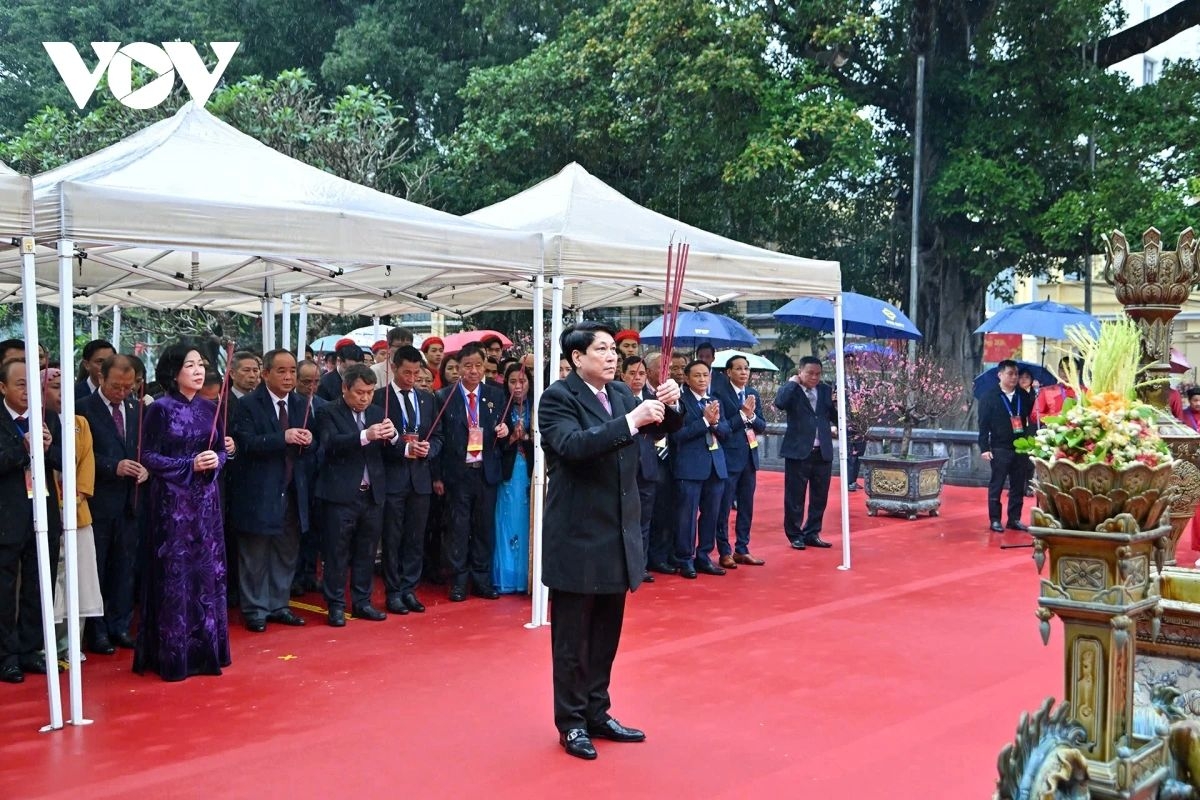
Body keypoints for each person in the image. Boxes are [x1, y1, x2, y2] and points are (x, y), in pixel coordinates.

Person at [538, 321, 682, 760]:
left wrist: (669, 407)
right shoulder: (557, 399)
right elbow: (574, 446)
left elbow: (657, 429)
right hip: (578, 535)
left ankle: (598, 711)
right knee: (572, 639)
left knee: (605, 635)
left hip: (617, 533)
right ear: (576, 358)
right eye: (601, 349)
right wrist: (631, 420)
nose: (611, 355)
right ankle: (572, 722)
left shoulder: (621, 393)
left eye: (612, 349)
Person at [133, 342, 230, 681]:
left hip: (206, 503)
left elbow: (220, 450)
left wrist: (216, 460)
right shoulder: (159, 409)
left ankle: (207, 649)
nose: (198, 371)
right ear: (173, 373)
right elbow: (149, 456)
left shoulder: (209, 408)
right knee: (175, 576)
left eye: (201, 364)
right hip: (172, 504)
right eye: (190, 366)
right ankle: (173, 654)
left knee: (206, 574)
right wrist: (189, 464)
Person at [229, 350, 316, 632]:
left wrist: (308, 440)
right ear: (265, 373)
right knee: (254, 552)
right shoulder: (248, 404)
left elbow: (314, 447)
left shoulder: (303, 403)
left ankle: (279, 604)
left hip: (293, 487)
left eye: (292, 370)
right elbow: (246, 443)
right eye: (281, 371)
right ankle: (255, 608)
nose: (289, 376)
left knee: (286, 549)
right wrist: (283, 437)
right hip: (259, 488)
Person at [77, 354, 146, 654]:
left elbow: (145, 447)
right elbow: (79, 457)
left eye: (128, 387)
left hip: (131, 501)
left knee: (125, 567)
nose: (122, 392)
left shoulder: (136, 408)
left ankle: (120, 625)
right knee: (98, 569)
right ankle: (98, 631)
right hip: (100, 501)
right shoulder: (83, 410)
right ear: (101, 378)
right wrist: (112, 466)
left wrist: (146, 468)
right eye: (117, 386)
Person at [315, 363, 392, 625]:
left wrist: (392, 438)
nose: (365, 398)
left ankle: (362, 601)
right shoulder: (327, 411)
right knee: (336, 552)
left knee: (367, 551)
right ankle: (335, 604)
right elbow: (329, 444)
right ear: (345, 388)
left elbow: (388, 453)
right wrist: (364, 435)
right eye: (360, 392)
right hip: (340, 494)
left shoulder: (377, 412)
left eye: (370, 392)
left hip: (372, 493)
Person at [0, 359, 62, 682]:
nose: (27, 391)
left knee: (40, 583)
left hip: (44, 510)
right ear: (3, 387)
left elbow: (65, 460)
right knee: (5, 588)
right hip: (7, 515)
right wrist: (24, 450)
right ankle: (5, 655)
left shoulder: (47, 416)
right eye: (20, 384)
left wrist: (49, 449)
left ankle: (30, 649)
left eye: (31, 384)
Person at [434, 343, 509, 602]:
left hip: (486, 470)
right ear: (458, 368)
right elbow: (438, 438)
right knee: (457, 528)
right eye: (467, 366)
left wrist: (505, 431)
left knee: (483, 528)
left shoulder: (495, 395)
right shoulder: (444, 397)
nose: (473, 371)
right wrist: (438, 476)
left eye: (478, 365)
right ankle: (458, 582)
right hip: (458, 472)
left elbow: (505, 425)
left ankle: (482, 580)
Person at [374, 346, 441, 615]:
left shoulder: (427, 399)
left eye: (416, 372)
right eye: (406, 372)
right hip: (392, 478)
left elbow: (438, 435)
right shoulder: (379, 398)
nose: (411, 378)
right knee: (392, 538)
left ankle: (409, 589)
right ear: (393, 367)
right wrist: (402, 449)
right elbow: (376, 440)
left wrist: (429, 449)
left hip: (420, 478)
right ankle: (392, 592)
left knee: (415, 537)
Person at [42, 368, 103, 656]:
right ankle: (44, 645)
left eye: (65, 387)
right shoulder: (36, 423)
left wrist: (78, 494)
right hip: (45, 514)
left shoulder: (80, 423)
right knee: (51, 581)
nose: (61, 393)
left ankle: (71, 645)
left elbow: (87, 462)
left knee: (79, 580)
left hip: (77, 512)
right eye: (54, 387)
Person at [671, 360, 730, 577]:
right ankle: (684, 558)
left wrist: (714, 423)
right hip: (689, 467)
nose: (702, 379)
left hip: (716, 465)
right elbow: (677, 435)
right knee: (686, 515)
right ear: (686, 379)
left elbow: (726, 430)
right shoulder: (680, 402)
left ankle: (704, 555)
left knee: (712, 514)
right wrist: (705, 422)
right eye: (697, 375)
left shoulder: (715, 401)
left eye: (706, 375)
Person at [776, 356, 837, 550]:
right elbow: (779, 402)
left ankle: (812, 532)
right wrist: (792, 383)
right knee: (795, 496)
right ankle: (794, 534)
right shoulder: (792, 390)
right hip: (798, 451)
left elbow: (836, 417)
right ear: (800, 372)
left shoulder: (826, 391)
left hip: (822, 451)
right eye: (810, 373)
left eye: (818, 374)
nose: (814, 377)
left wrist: (839, 403)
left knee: (820, 496)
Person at [716, 354, 767, 567]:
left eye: (746, 369)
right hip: (729, 457)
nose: (744, 372)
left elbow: (762, 425)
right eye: (739, 368)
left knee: (747, 506)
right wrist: (743, 415)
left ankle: (742, 548)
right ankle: (724, 550)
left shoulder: (752, 393)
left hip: (749, 457)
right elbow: (723, 428)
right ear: (728, 372)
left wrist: (752, 417)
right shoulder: (719, 394)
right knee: (724, 507)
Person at [977, 359, 1034, 533]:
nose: (1014, 377)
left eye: (1016, 374)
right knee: (997, 484)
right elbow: (983, 425)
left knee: (1018, 485)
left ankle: (1014, 519)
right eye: (1010, 373)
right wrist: (984, 448)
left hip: (1020, 447)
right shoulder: (989, 397)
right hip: (1000, 447)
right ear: (1000, 374)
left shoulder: (1023, 396)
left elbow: (1029, 419)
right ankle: (995, 519)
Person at [619, 355, 660, 582]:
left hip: (648, 467)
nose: (637, 378)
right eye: (633, 374)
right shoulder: (616, 399)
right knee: (624, 519)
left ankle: (640, 566)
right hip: (625, 467)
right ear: (623, 375)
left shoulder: (652, 399)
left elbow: (663, 431)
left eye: (642, 374)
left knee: (644, 520)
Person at [494, 363, 534, 593]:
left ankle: (524, 577)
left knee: (526, 521)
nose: (518, 386)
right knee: (505, 522)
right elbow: (492, 446)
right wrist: (509, 439)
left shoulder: (537, 407)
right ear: (506, 384)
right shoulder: (500, 407)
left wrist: (526, 437)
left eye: (523, 381)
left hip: (530, 472)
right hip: (507, 472)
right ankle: (506, 578)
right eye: (513, 382)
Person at [1032, 357, 1081, 426]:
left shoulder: (1084, 391)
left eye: (1070, 368)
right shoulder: (1046, 391)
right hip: (1054, 432)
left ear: (1078, 372)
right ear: (1058, 370)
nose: (1065, 371)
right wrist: (1055, 417)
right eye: (1062, 368)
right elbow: (1035, 415)